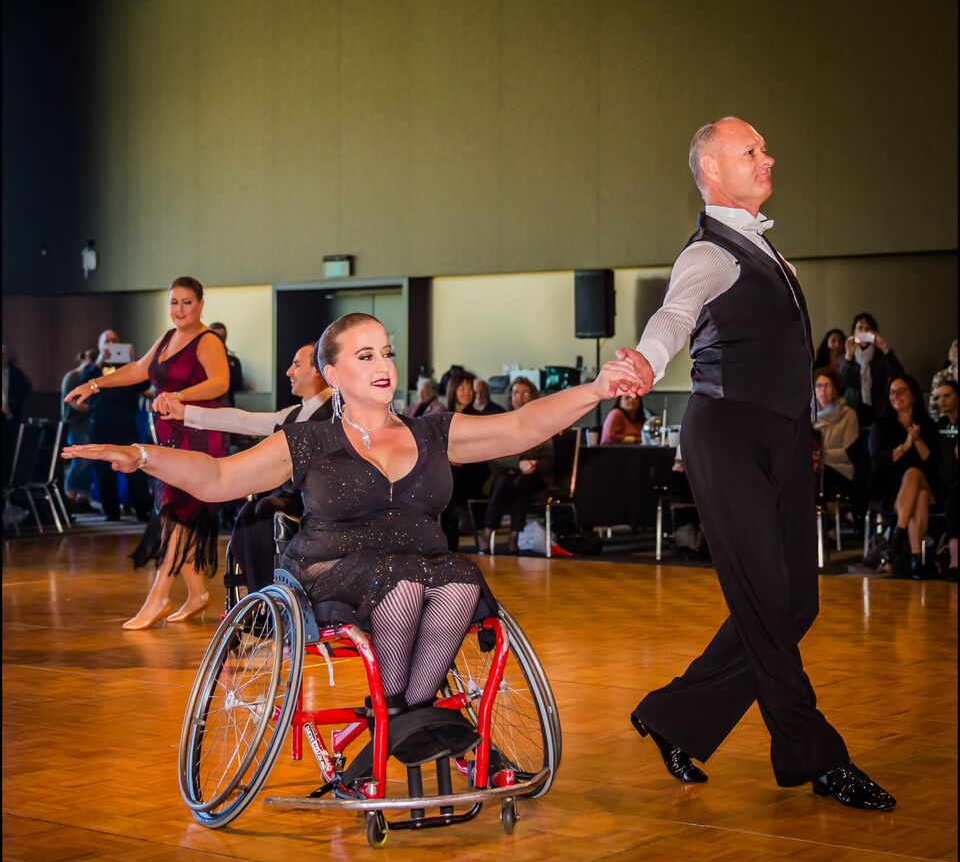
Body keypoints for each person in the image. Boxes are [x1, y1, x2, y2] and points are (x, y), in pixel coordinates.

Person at [63, 312, 639, 765]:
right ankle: (406, 719)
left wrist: (596, 389)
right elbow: (217, 478)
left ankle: (402, 716)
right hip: (329, 570)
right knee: (403, 579)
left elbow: (521, 426)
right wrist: (141, 456)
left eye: (386, 352)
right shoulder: (309, 441)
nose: (383, 364)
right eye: (365, 356)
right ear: (333, 374)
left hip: (420, 565)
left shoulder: (433, 432)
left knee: (461, 577)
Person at [615, 117, 895, 810]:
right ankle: (815, 755)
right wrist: (646, 361)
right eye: (751, 150)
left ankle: (675, 716)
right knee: (766, 600)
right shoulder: (709, 254)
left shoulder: (767, 251)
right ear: (712, 170)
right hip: (728, 434)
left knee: (795, 602)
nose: (767, 157)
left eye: (764, 148)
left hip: (783, 437)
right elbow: (674, 316)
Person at [65, 277, 230, 629]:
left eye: (187, 302)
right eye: (174, 302)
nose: (179, 309)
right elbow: (139, 369)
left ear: (200, 305)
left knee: (176, 513)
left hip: (199, 438)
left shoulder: (207, 341)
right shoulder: (168, 338)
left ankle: (159, 596)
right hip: (170, 437)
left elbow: (220, 382)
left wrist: (178, 396)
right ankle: (198, 594)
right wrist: (93, 384)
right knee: (172, 514)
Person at [157, 342, 333, 591]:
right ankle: (259, 591)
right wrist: (185, 413)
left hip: (322, 503)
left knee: (264, 509)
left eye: (296, 364)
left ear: (317, 371)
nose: (289, 371)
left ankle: (265, 590)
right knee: (254, 511)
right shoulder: (294, 414)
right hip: (292, 497)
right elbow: (243, 420)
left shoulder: (338, 412)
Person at [867, 376, 944, 579]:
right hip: (892, 491)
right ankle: (917, 560)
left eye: (901, 391)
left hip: (929, 484)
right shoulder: (881, 425)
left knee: (915, 473)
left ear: (913, 395)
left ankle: (894, 542)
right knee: (920, 497)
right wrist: (906, 445)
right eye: (892, 392)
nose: (895, 396)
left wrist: (916, 441)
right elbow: (878, 462)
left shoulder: (927, 425)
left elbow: (933, 463)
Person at [81, 331, 153, 523]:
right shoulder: (93, 368)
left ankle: (142, 509)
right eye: (107, 341)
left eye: (114, 341)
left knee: (135, 466)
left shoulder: (129, 368)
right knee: (104, 470)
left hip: (125, 424)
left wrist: (133, 361)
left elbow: (144, 384)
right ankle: (111, 511)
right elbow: (85, 381)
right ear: (100, 345)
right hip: (101, 425)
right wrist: (99, 361)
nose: (111, 344)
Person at [479, 377, 554, 555]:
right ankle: (490, 532)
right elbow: (494, 455)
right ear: (510, 397)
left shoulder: (543, 424)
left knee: (522, 484)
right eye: (516, 393)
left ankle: (512, 536)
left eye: (525, 393)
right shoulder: (502, 422)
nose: (520, 397)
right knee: (505, 482)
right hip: (507, 475)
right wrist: (519, 462)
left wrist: (534, 463)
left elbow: (550, 461)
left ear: (533, 397)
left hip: (535, 477)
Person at [442, 372, 487, 551]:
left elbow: (481, 447)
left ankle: (451, 540)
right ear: (453, 390)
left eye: (470, 388)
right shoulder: (444, 415)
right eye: (462, 388)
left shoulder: (476, 416)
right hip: (450, 469)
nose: (467, 392)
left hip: (473, 468)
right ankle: (449, 538)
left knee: (449, 482)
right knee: (445, 480)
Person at [838, 313, 904, 426]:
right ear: (854, 332)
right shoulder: (845, 357)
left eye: (867, 328)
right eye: (860, 328)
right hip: (853, 406)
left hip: (878, 407)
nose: (864, 331)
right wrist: (848, 356)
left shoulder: (881, 356)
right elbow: (843, 382)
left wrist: (885, 349)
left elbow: (899, 375)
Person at [813, 367, 860, 500]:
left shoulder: (848, 415)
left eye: (827, 385)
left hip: (840, 470)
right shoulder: (808, 417)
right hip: (814, 468)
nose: (822, 391)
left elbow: (849, 453)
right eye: (819, 386)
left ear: (835, 389)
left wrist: (821, 455)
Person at [60, 349, 98, 512]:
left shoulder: (88, 379)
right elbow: (73, 402)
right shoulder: (73, 377)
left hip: (89, 425)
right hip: (76, 424)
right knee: (80, 461)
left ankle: (83, 498)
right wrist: (95, 408)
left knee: (89, 462)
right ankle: (69, 496)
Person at [207, 322, 244, 406]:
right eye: (215, 337)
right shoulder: (199, 360)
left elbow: (238, 385)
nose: (219, 340)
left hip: (226, 404)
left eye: (222, 337)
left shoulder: (233, 361)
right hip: (204, 405)